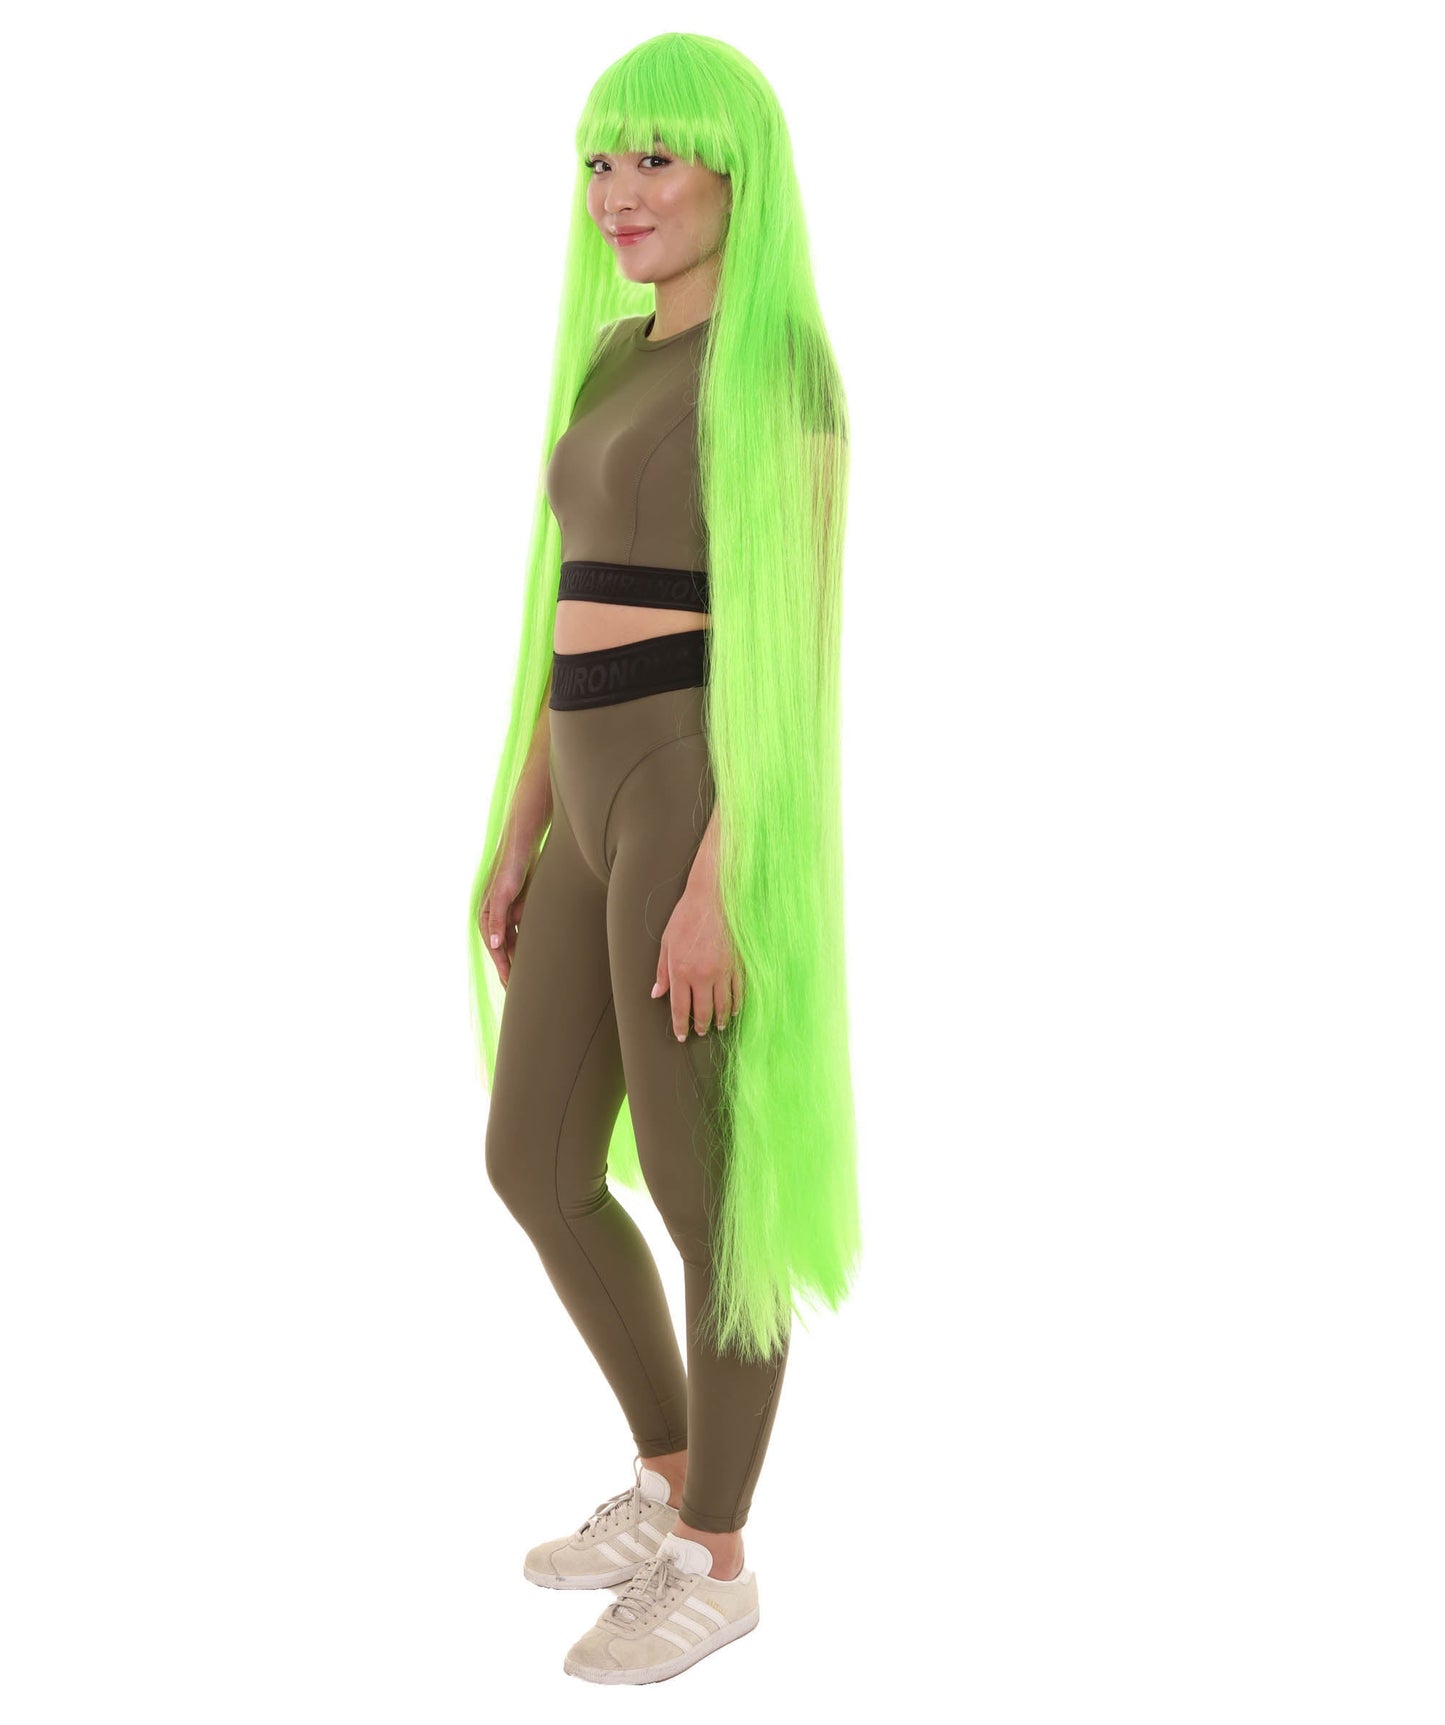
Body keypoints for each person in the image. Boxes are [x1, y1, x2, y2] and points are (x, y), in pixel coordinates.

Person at [467, 31, 861, 1685]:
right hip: (581, 786)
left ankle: (718, 1554)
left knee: (711, 1198)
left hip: (695, 793)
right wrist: (517, 825)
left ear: (734, 173)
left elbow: (790, 658)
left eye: (652, 158)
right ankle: (666, 1468)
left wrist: (718, 881)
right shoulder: (614, 352)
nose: (615, 193)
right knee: (532, 1160)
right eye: (597, 160)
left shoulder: (777, 375)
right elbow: (559, 611)